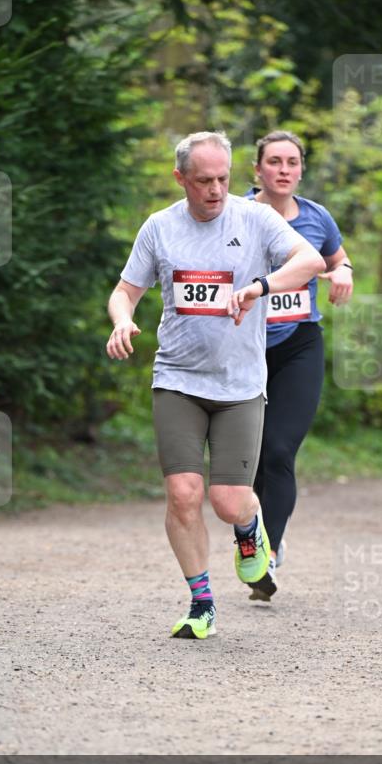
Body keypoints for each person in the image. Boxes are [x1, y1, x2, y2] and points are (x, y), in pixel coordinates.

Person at [106, 131, 327, 639]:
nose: (215, 190)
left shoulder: (254, 219)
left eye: (223, 179)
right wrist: (122, 321)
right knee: (184, 494)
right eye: (203, 180)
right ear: (180, 178)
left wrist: (259, 287)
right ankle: (201, 602)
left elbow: (310, 262)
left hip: (240, 385)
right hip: (178, 380)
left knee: (230, 501)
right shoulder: (160, 228)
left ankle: (251, 533)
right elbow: (125, 290)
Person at [246, 130, 353, 601]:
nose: (284, 169)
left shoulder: (317, 217)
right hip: (244, 349)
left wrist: (343, 273)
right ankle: (259, 536)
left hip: (298, 346)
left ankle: (266, 553)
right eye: (274, 161)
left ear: (301, 170)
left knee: (278, 448)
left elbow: (339, 259)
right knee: (247, 462)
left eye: (292, 161)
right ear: (258, 170)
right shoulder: (238, 214)